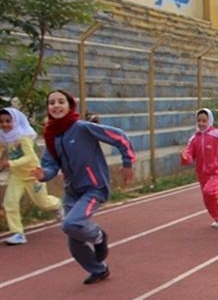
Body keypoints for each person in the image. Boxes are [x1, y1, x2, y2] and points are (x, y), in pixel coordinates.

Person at [33, 90, 135, 284]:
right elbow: (51, 166)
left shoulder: (82, 128)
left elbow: (119, 137)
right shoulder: (51, 136)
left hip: (94, 187)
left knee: (71, 224)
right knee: (74, 238)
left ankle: (98, 235)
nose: (56, 105)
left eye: (61, 101)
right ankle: (98, 270)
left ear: (70, 105)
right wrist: (43, 174)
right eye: (51, 102)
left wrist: (128, 163)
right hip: (72, 191)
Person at [1, 107, 62, 245]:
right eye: (1, 121)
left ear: (15, 121)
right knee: (10, 202)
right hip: (16, 176)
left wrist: (10, 163)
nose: (4, 124)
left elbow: (30, 157)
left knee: (42, 202)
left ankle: (58, 204)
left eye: (8, 121)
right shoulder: (3, 137)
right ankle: (18, 233)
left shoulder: (23, 137)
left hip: (33, 174)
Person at [180, 108, 218, 229]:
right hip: (202, 173)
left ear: (209, 120)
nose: (201, 123)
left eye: (204, 120)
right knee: (207, 199)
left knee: (210, 190)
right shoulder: (194, 138)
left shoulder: (217, 134)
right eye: (199, 121)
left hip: (216, 170)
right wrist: (185, 157)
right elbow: (189, 153)